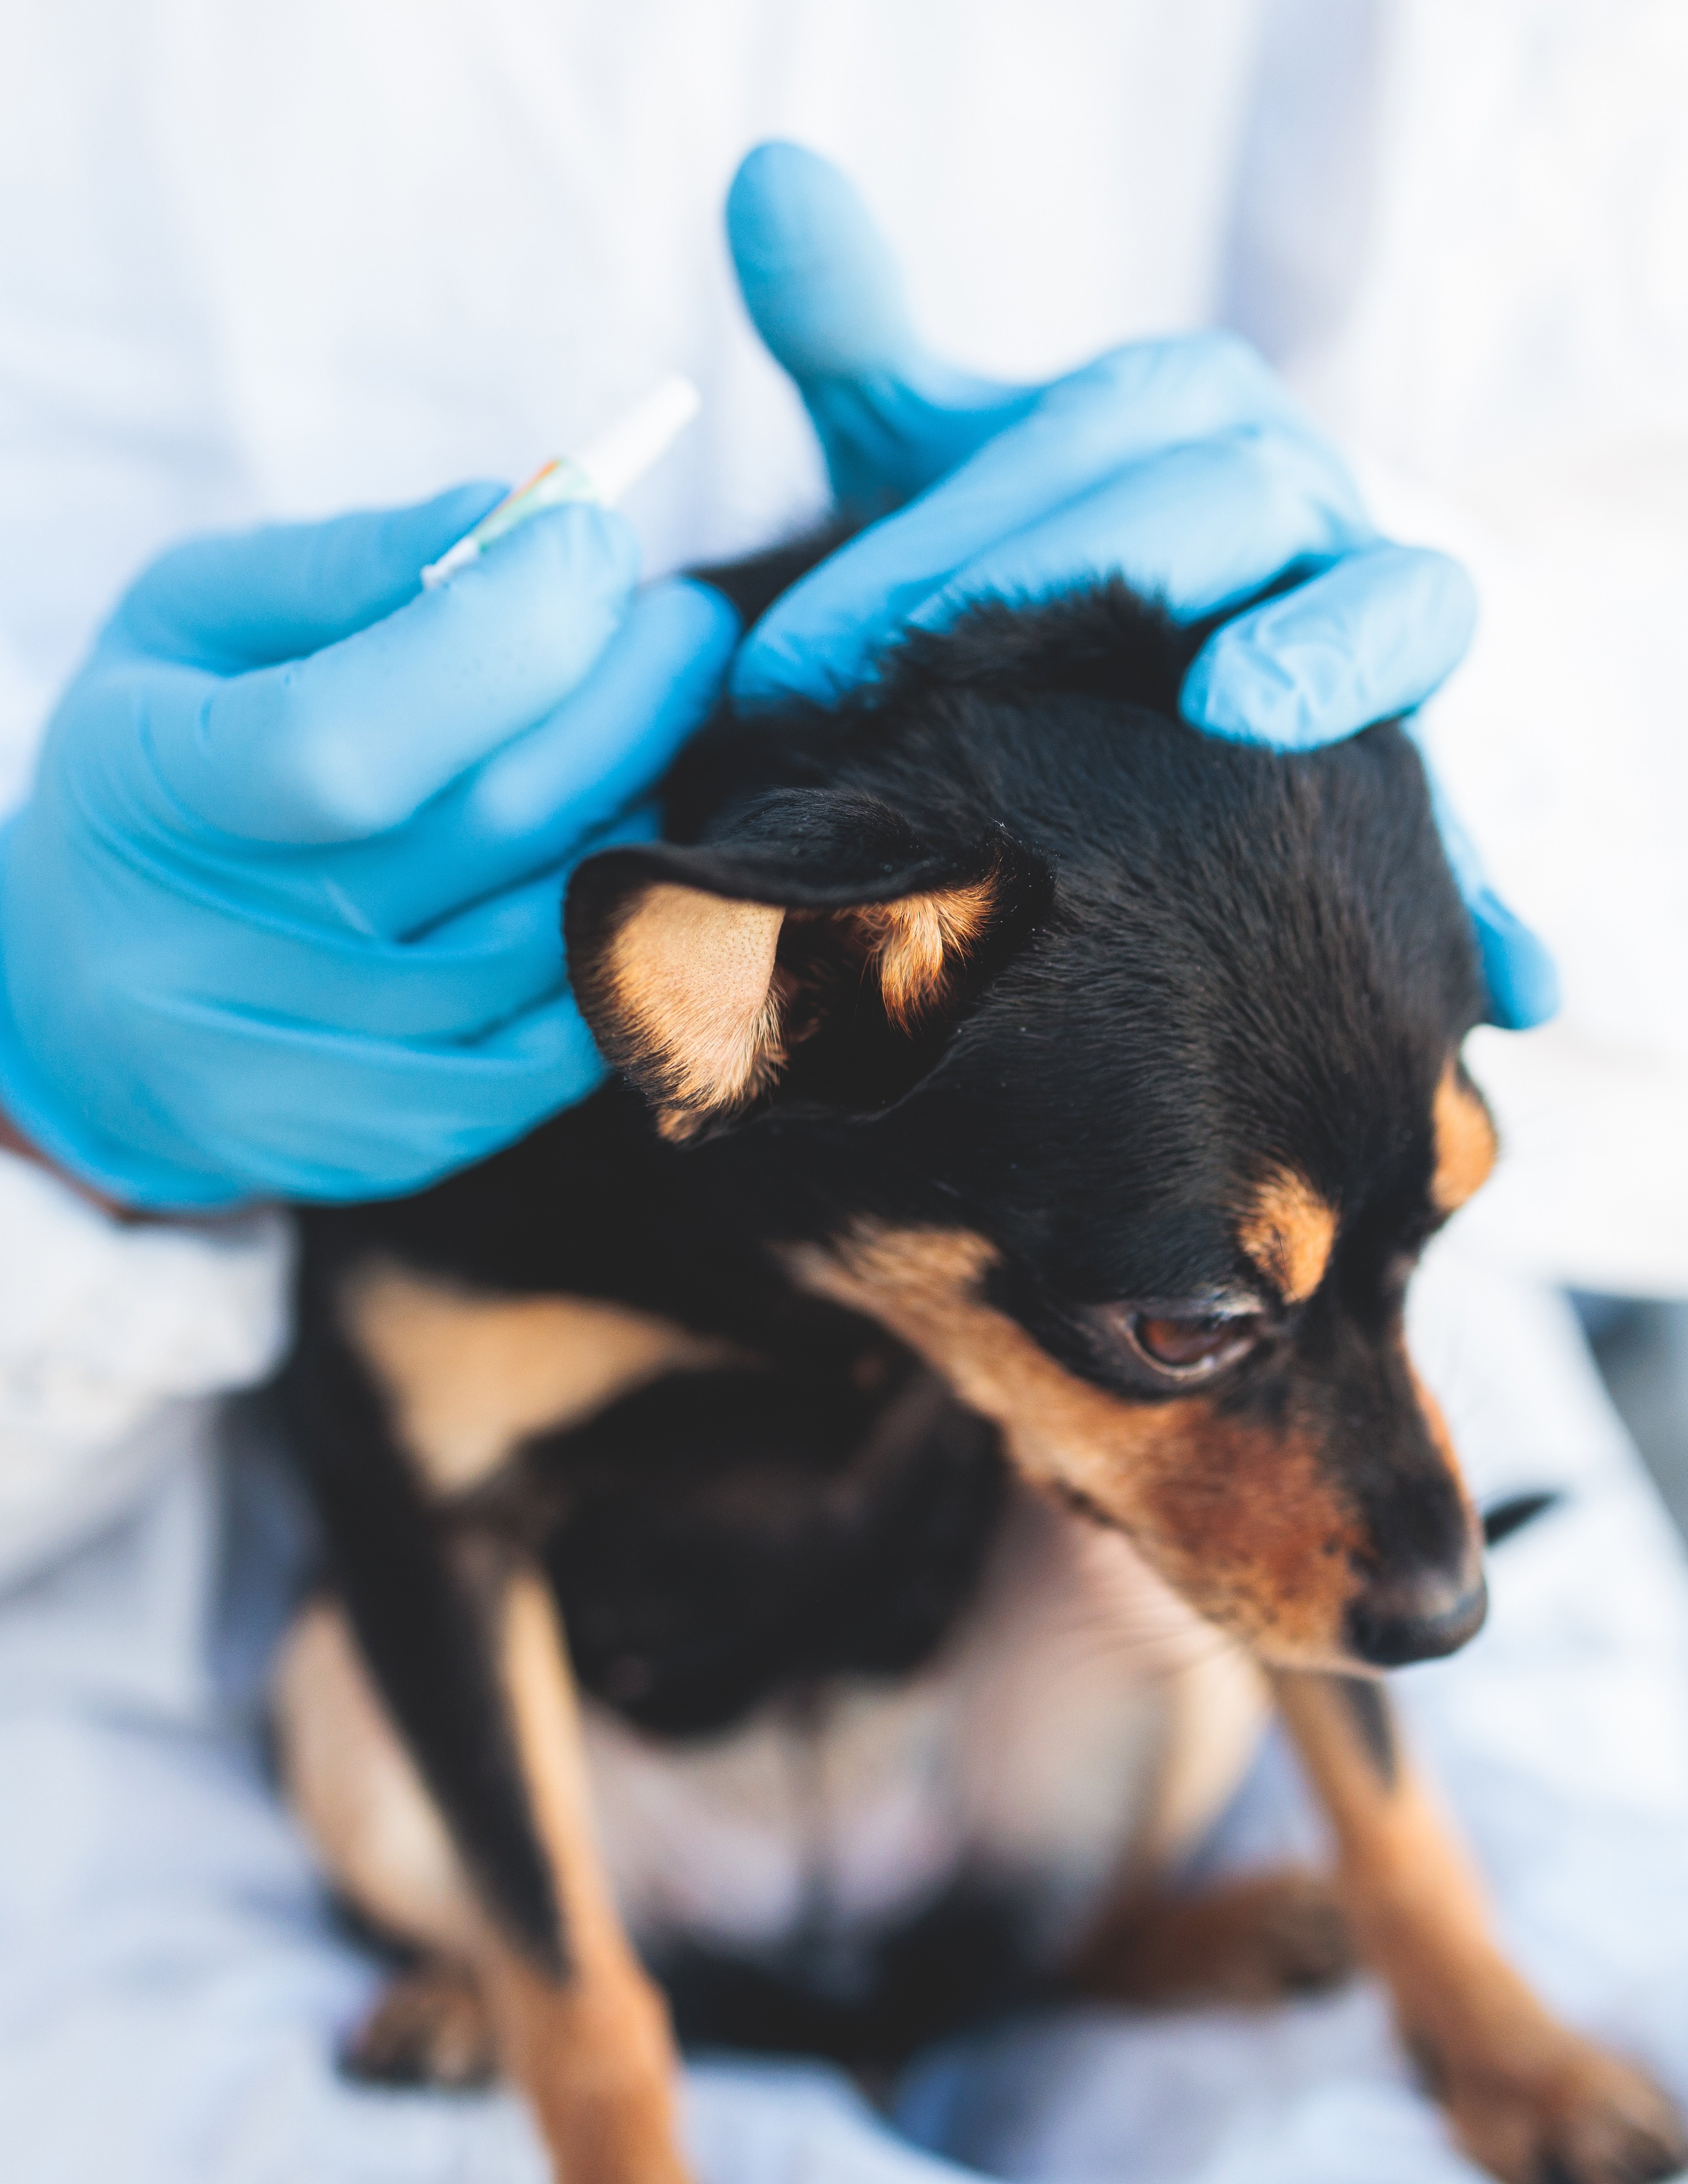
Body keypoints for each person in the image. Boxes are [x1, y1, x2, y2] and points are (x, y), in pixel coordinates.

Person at [2, 8, 1687, 2182]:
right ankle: (594, 2039)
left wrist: (1512, 713)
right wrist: (42, 1101)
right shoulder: (730, 1045)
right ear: (749, 1016)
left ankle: (1197, 1945)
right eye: (1195, 1328)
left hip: (1026, 1708)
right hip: (223, 1806)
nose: (1424, 1560)